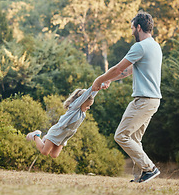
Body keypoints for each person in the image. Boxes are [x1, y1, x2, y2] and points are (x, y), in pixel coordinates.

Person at [92, 11, 162, 183]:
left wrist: (99, 80)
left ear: (138, 27)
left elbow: (117, 68)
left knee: (121, 136)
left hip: (144, 100)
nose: (131, 32)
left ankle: (150, 168)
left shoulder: (140, 46)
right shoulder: (155, 46)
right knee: (135, 139)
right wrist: (109, 81)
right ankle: (142, 176)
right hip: (152, 100)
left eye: (132, 28)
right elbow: (127, 71)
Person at [26, 86, 99, 158]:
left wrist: (103, 84)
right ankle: (35, 135)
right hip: (59, 130)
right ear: (81, 102)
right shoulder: (75, 107)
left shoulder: (82, 112)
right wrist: (95, 85)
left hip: (66, 135)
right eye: (87, 105)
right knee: (44, 152)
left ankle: (46, 137)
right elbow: (87, 94)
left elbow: (92, 94)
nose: (88, 107)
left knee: (54, 155)